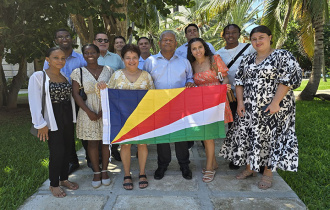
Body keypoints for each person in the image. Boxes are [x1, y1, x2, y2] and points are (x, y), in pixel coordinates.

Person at [219, 25, 302, 190]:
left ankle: (268, 173)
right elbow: (240, 82)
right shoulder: (248, 59)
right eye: (254, 39)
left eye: (261, 37)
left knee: (272, 138)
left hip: (275, 108)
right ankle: (250, 168)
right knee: (252, 137)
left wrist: (275, 102)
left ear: (270, 37)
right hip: (250, 108)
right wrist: (240, 103)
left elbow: (288, 79)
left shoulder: (282, 55)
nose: (257, 41)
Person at [98, 44, 155, 190]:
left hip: (142, 116)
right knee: (126, 144)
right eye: (128, 58)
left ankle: (142, 173)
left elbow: (154, 97)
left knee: (142, 144)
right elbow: (107, 96)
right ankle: (127, 174)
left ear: (139, 59)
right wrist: (102, 88)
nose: (131, 61)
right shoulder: (116, 75)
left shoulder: (147, 76)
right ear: (123, 59)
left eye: (134, 57)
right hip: (122, 117)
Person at [143, 30, 195, 180]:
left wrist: (190, 82)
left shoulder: (184, 61)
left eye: (171, 40)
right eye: (164, 40)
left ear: (176, 43)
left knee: (181, 136)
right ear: (159, 43)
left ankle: (184, 164)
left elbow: (189, 78)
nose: (167, 42)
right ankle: (162, 165)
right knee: (162, 137)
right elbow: (145, 80)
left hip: (179, 104)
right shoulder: (150, 61)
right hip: (158, 105)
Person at [29, 47, 79, 198]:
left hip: (67, 117)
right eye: (56, 58)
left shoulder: (64, 75)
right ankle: (54, 184)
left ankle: (64, 178)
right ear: (47, 59)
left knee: (67, 149)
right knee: (57, 152)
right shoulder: (39, 76)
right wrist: (40, 124)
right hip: (52, 118)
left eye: (63, 58)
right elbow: (34, 102)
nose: (60, 61)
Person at [187, 38, 232, 182]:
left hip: (216, 101)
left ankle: (210, 168)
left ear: (204, 47)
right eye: (194, 48)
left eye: (200, 47)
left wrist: (223, 88)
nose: (197, 51)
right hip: (201, 103)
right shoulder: (192, 64)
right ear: (191, 51)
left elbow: (225, 78)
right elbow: (193, 82)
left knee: (208, 135)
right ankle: (213, 163)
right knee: (205, 135)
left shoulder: (214, 59)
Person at [71, 44, 114, 188]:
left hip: (106, 109)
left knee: (105, 142)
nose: (90, 55)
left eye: (93, 52)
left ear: (98, 54)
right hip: (87, 110)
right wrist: (89, 112)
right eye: (86, 52)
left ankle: (104, 170)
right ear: (83, 55)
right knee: (92, 142)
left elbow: (113, 90)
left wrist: (104, 111)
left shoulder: (108, 70)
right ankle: (96, 172)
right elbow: (76, 93)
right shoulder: (78, 72)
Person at [43, 28, 87, 174]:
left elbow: (86, 76)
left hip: (79, 98)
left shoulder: (80, 58)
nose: (64, 39)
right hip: (60, 103)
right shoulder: (50, 59)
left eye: (67, 36)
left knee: (83, 128)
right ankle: (72, 161)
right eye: (60, 37)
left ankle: (91, 159)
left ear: (71, 38)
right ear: (56, 40)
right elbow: (45, 81)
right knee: (66, 133)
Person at [215, 24, 255, 170]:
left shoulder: (249, 48)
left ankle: (253, 158)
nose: (230, 35)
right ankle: (235, 157)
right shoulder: (218, 53)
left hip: (250, 94)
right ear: (223, 35)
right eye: (227, 33)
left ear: (239, 33)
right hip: (230, 95)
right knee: (233, 127)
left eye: (234, 32)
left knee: (251, 126)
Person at [93, 32, 124, 161]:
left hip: (113, 98)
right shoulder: (90, 56)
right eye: (99, 40)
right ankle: (99, 154)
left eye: (105, 40)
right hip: (94, 98)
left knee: (114, 125)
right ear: (94, 42)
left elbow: (123, 73)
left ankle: (114, 149)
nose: (103, 42)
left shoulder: (116, 58)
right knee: (98, 125)